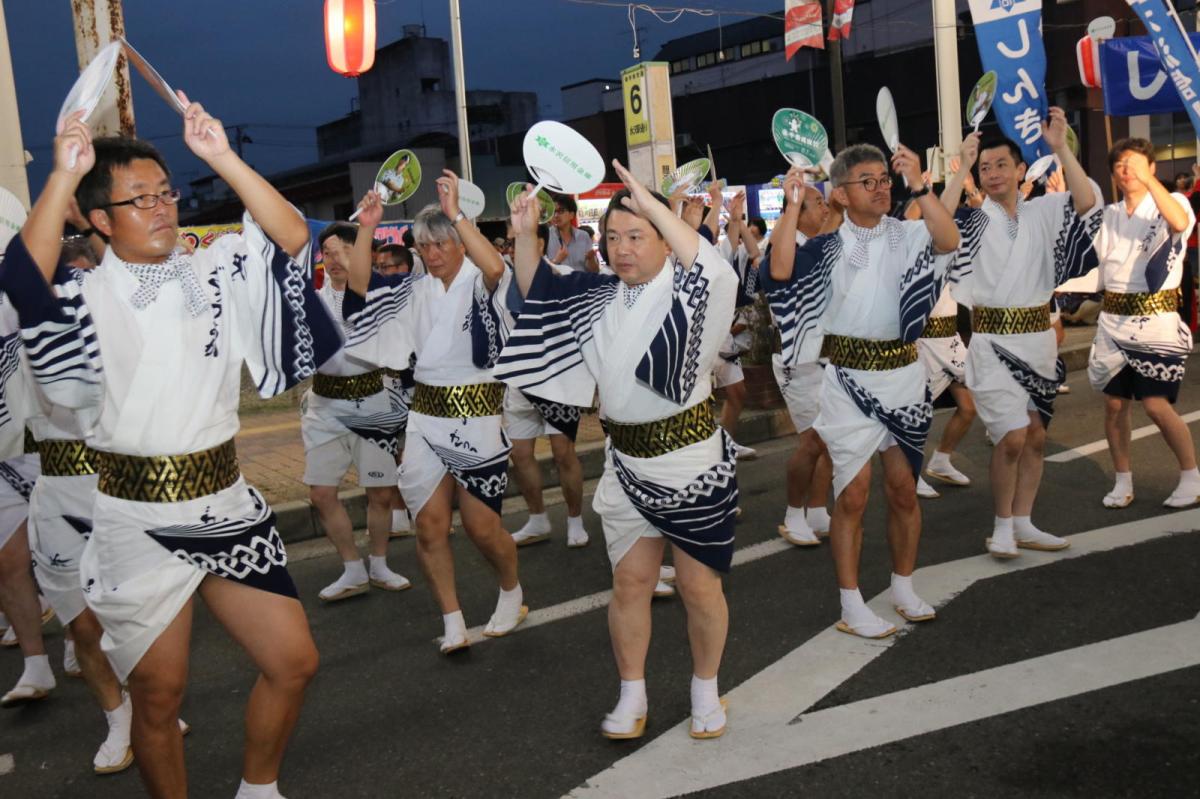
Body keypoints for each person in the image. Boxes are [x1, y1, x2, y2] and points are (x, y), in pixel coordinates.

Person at [2, 97, 341, 798]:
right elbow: (21, 281)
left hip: (226, 503)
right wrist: (62, 176)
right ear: (100, 220)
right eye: (138, 200)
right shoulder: (86, 295)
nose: (160, 208)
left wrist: (220, 154)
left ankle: (259, 788)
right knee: (159, 695)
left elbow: (289, 238)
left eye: (165, 193)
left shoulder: (214, 269)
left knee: (294, 660)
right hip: (136, 520)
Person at [496, 160, 739, 740]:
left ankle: (705, 688)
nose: (622, 249)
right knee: (629, 584)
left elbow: (713, 269)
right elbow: (537, 290)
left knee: (699, 586)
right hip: (626, 464)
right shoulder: (600, 296)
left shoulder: (692, 290)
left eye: (637, 236)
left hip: (691, 463)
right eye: (612, 238)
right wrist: (526, 231)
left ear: (662, 236)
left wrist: (655, 205)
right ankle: (632, 694)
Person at [762, 143, 962, 639]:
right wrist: (791, 207)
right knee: (851, 496)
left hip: (903, 377)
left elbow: (949, 238)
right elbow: (779, 271)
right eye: (866, 181)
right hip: (847, 381)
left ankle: (902, 586)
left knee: (902, 491)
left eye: (883, 180)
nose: (879, 189)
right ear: (841, 195)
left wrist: (921, 185)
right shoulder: (828, 245)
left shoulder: (908, 232)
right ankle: (851, 605)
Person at [343, 173, 526, 655]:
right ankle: (452, 618)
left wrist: (459, 214)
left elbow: (494, 267)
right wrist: (367, 228)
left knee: (482, 527)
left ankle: (512, 590)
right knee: (428, 526)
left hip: (478, 417)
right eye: (426, 246)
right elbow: (359, 286)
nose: (434, 253)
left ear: (459, 242)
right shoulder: (415, 292)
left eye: (443, 242)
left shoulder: (482, 282)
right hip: (424, 416)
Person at [942, 109, 1102, 559]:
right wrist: (962, 167)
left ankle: (1024, 520)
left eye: (1000, 166)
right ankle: (1002, 526)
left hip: (1037, 342)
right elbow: (938, 226)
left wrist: (1061, 148)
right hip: (991, 344)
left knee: (1034, 435)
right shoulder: (973, 223)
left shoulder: (1044, 211)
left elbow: (1086, 200)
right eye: (985, 167)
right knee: (1012, 435)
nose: (992, 174)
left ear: (1018, 170)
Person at [303, 223, 411, 601]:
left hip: (373, 400)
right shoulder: (311, 301)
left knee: (380, 493)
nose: (332, 260)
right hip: (324, 405)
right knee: (321, 492)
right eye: (326, 253)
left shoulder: (378, 297)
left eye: (341, 251)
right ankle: (352, 568)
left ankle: (379, 564)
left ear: (359, 252)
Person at [1088, 138, 1198, 508]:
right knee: (1115, 405)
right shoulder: (1110, 215)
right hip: (1113, 319)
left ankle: (1190, 476)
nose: (1125, 168)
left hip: (1156, 320)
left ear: (1152, 168)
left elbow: (1181, 222)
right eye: (1119, 163)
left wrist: (1151, 183)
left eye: (1133, 161)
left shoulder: (1173, 202)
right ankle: (1122, 480)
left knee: (1155, 405)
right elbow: (1094, 269)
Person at [504, 222, 590, 549]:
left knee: (562, 452)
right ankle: (537, 519)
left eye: (521, 241)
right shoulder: (502, 280)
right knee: (520, 453)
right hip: (519, 381)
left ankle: (575, 520)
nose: (514, 248)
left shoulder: (564, 277)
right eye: (511, 243)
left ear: (541, 243)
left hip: (559, 381)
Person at [762, 180, 838, 545]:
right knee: (813, 442)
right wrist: (792, 205)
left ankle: (818, 511)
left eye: (825, 202)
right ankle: (794, 515)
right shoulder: (783, 251)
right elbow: (776, 274)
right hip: (799, 361)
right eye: (817, 203)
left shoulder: (821, 248)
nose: (824, 208)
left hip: (827, 359)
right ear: (796, 212)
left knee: (832, 439)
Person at [547, 195, 600, 273]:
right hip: (557, 284)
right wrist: (556, 260)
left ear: (572, 215)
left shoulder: (583, 236)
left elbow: (595, 271)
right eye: (553, 211)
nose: (556, 215)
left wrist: (591, 259)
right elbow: (541, 273)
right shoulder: (546, 236)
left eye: (561, 211)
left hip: (582, 283)